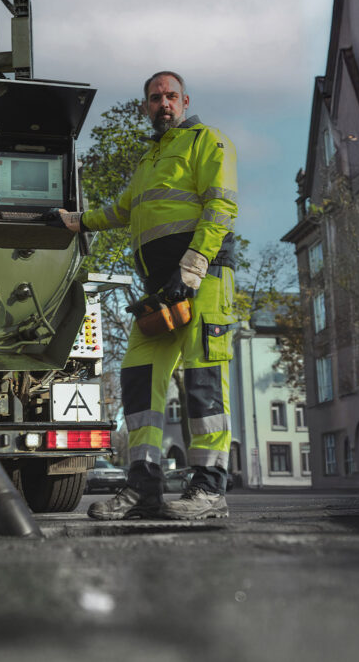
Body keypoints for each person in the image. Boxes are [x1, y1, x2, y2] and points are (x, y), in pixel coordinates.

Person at [48, 71, 238, 520]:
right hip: (159, 291)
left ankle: (209, 490)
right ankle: (143, 489)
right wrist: (75, 221)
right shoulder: (150, 158)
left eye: (170, 96)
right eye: (155, 98)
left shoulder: (207, 141)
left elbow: (221, 206)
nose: (163, 104)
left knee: (203, 381)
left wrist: (190, 271)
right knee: (137, 379)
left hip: (204, 281)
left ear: (185, 100)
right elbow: (121, 210)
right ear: (145, 106)